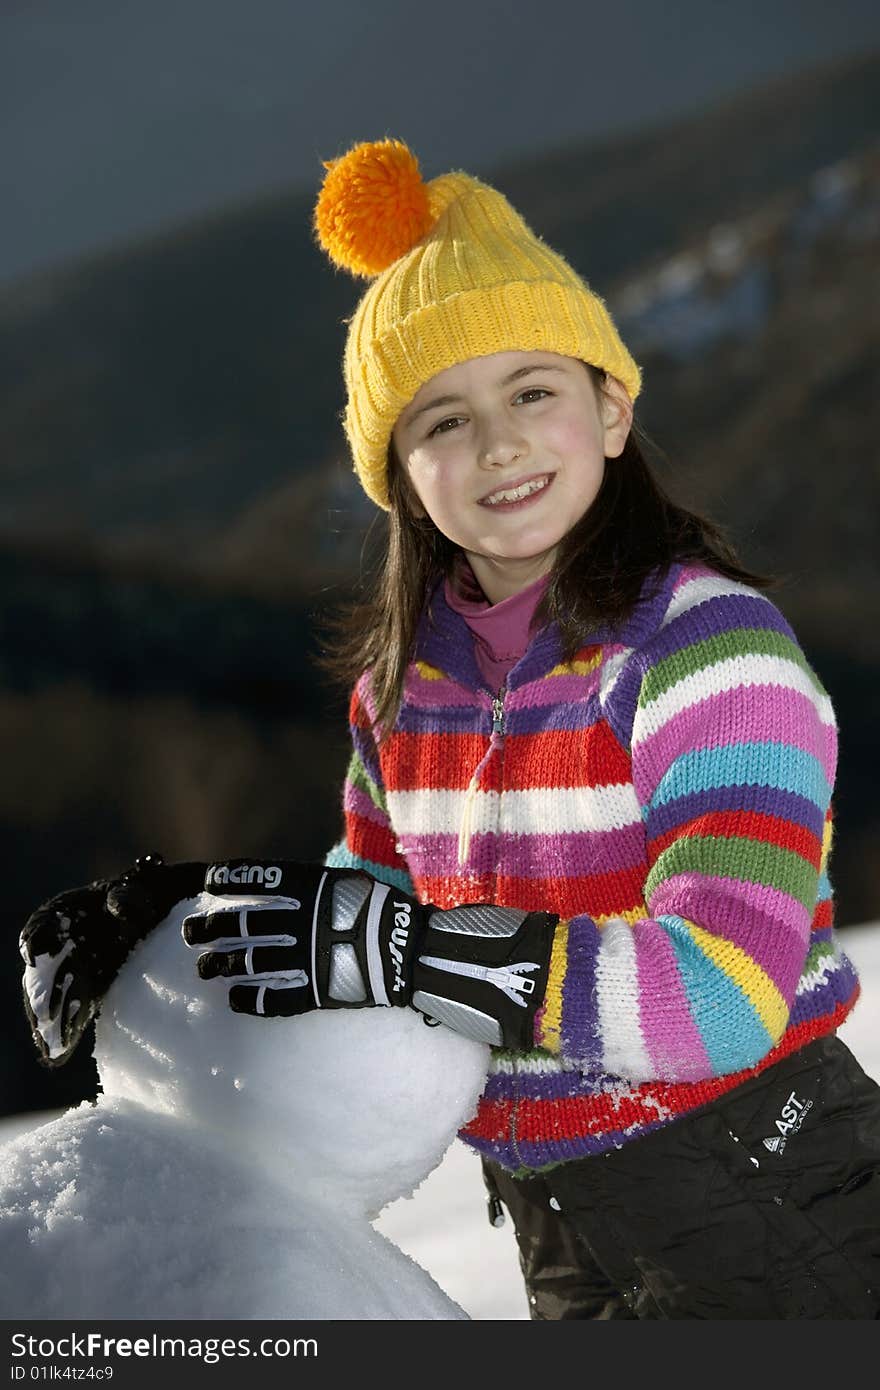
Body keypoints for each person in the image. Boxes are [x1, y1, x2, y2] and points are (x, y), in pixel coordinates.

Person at [20, 139, 880, 1320]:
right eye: (442, 420)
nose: (499, 444)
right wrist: (176, 927)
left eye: (533, 390)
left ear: (611, 406)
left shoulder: (704, 650)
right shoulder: (404, 691)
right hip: (559, 1222)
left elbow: (723, 991)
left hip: (774, 1190)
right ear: (398, 475)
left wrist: (424, 955)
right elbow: (363, 931)